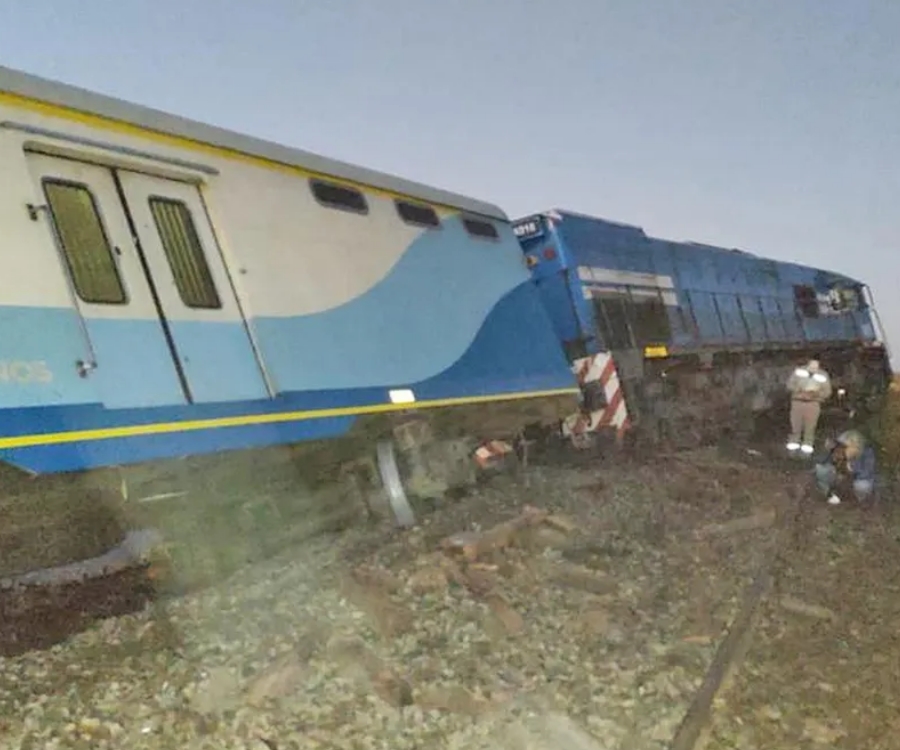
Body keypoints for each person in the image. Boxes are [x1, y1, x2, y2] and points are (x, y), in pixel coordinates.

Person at [813, 429, 876, 505]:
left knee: (862, 485)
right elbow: (820, 462)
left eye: (846, 446)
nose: (843, 448)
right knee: (822, 470)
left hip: (857, 479)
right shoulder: (838, 450)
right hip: (841, 478)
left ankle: (860, 501)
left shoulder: (867, 452)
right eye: (842, 445)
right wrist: (827, 450)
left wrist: (852, 467)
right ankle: (829, 494)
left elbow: (867, 473)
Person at [785, 359, 832, 456]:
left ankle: (806, 452)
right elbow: (789, 385)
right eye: (811, 367)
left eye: (815, 367)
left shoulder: (823, 375)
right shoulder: (798, 372)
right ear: (807, 365)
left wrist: (816, 394)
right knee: (795, 427)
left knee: (810, 429)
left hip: (813, 404)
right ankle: (792, 450)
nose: (813, 369)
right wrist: (799, 390)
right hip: (797, 402)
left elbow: (827, 391)